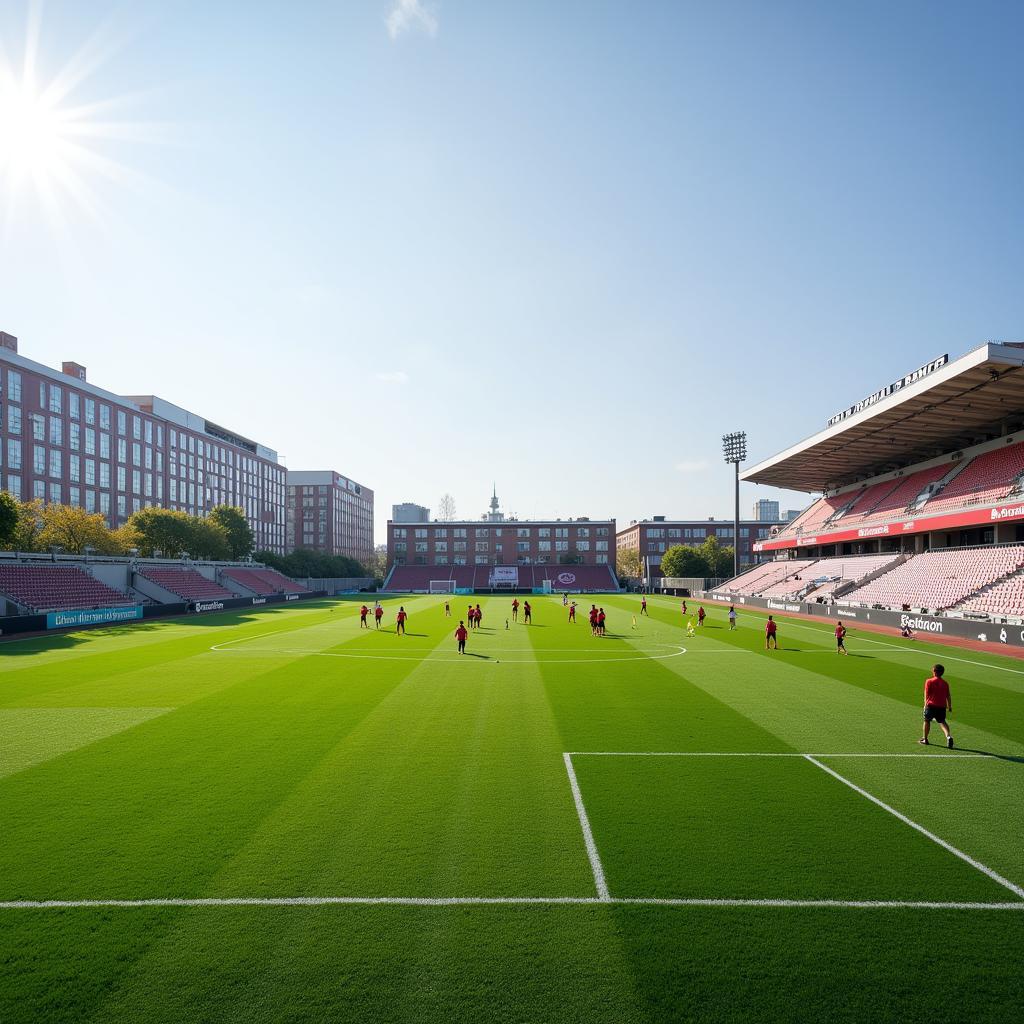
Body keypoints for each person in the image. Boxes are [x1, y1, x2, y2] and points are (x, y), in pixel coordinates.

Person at [920, 664, 954, 748]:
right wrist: (949, 707)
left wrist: (925, 705)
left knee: (927, 721)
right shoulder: (945, 683)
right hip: (942, 706)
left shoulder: (929, 681)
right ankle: (948, 736)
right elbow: (948, 696)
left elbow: (926, 695)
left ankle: (925, 739)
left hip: (931, 705)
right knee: (942, 721)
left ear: (934, 671)